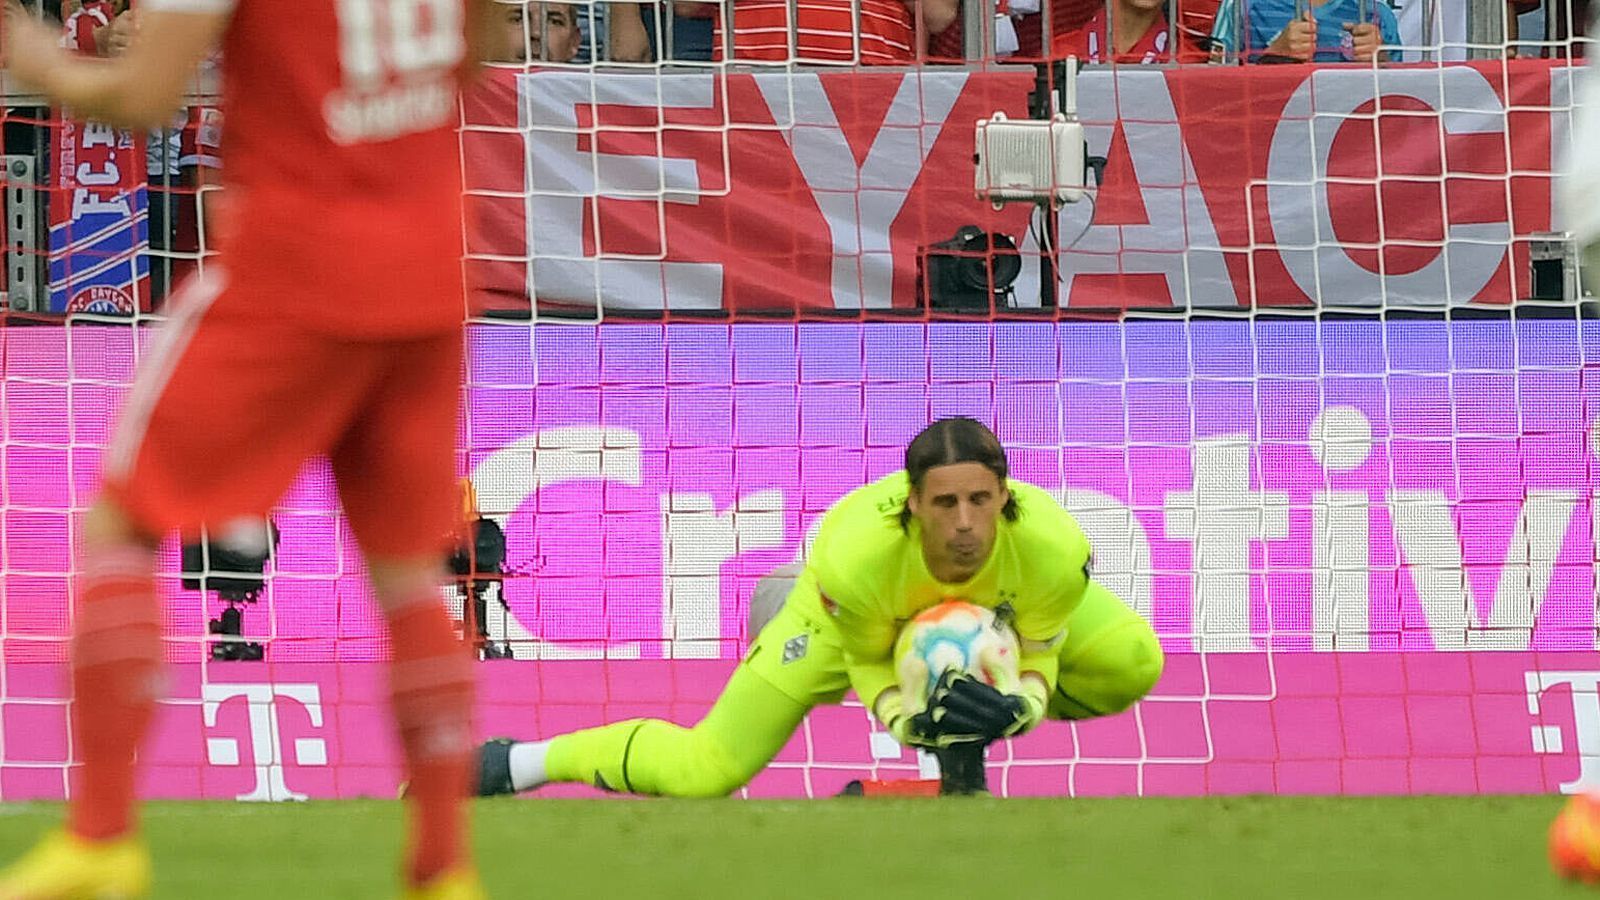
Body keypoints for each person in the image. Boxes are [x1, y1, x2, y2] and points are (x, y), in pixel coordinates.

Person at [0, 2, 490, 898]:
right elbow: (480, 49)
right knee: (408, 577)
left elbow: (145, 96)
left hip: (294, 268)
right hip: (429, 264)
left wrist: (32, 56)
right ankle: (443, 868)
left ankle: (102, 839)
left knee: (122, 522)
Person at [475, 417, 1165, 799]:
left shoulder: (1053, 547)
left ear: (1004, 499)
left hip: (995, 618)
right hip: (848, 626)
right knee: (705, 770)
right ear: (912, 502)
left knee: (1132, 660)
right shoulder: (855, 551)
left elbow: (1040, 648)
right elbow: (872, 662)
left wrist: (1023, 706)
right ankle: (519, 764)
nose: (963, 522)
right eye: (945, 503)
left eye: (980, 501)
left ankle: (961, 774)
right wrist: (908, 716)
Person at [1244, 0, 1401, 62]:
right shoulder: (1245, 6)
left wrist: (1380, 61)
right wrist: (1274, 56)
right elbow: (1222, 92)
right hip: (1270, 130)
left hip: (1351, 132)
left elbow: (1398, 101)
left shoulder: (1376, 14)